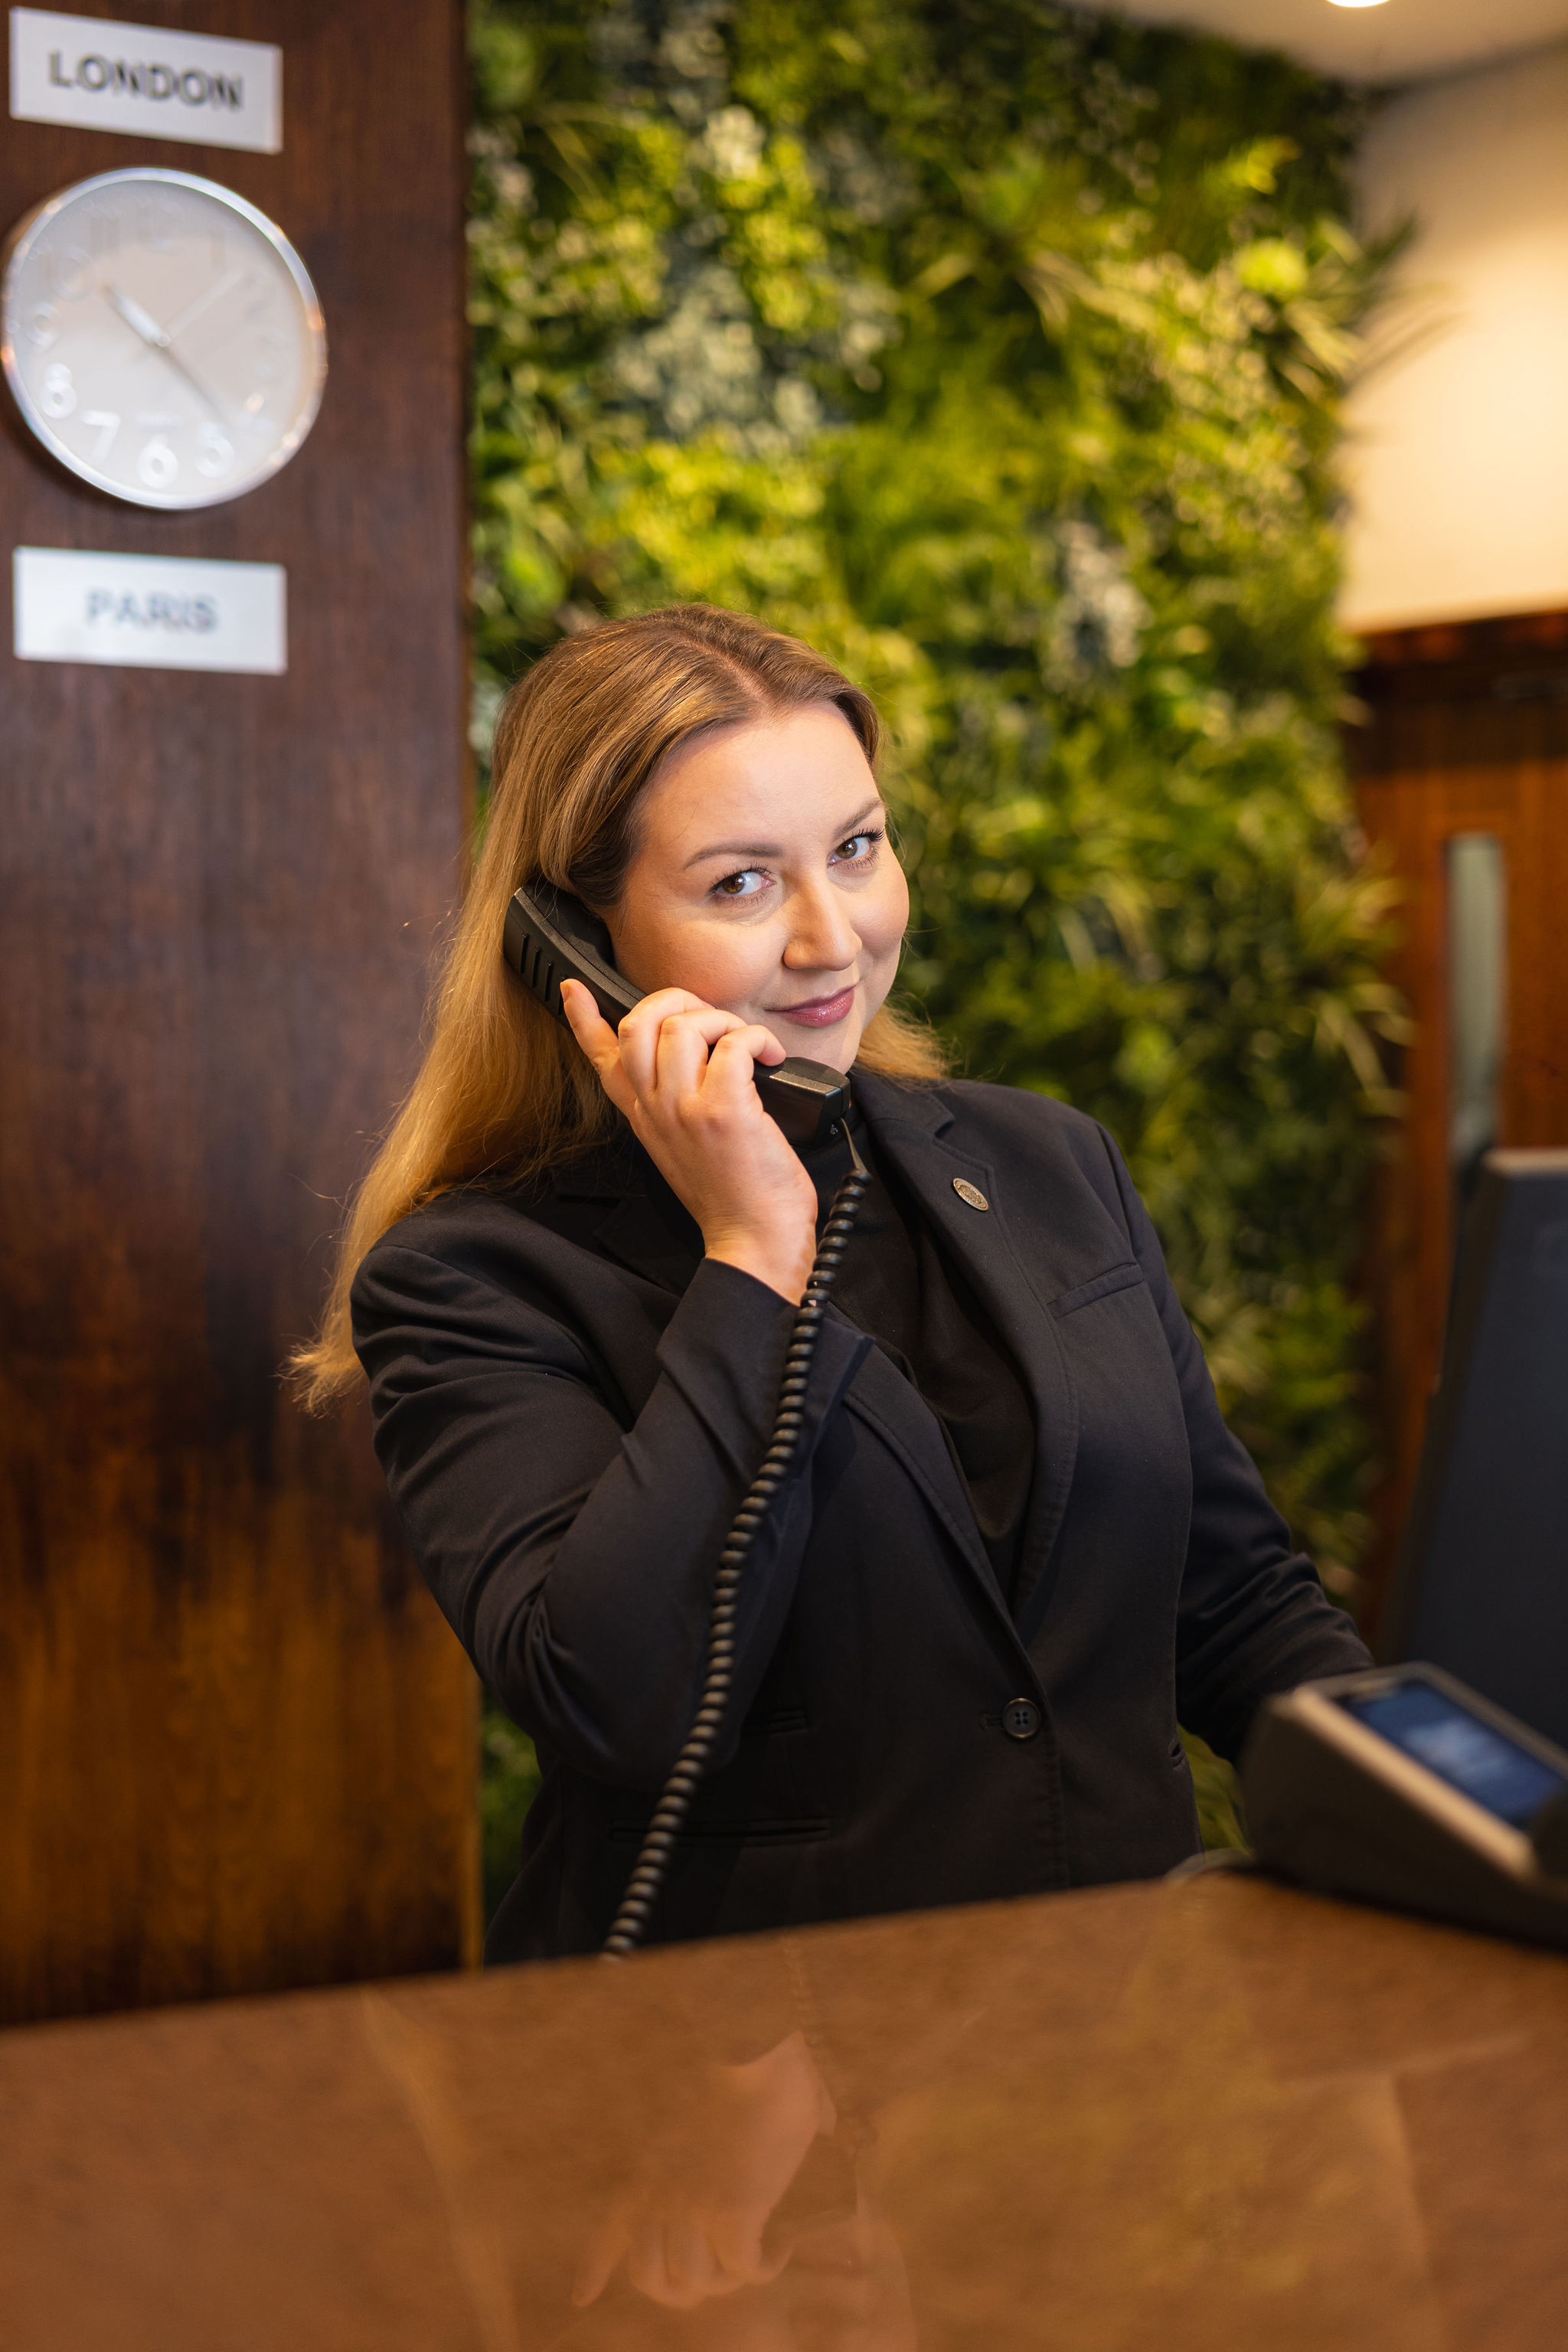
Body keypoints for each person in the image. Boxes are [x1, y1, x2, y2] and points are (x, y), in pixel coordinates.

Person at [296, 603, 1370, 1961]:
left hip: (1113, 2051)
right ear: (575, 936)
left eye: (856, 849)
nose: (831, 938)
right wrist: (751, 1255)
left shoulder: (1047, 1163)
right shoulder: (477, 1277)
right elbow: (615, 1697)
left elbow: (1236, 1603)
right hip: (752, 2096)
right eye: (741, 882)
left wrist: (1457, 1828)